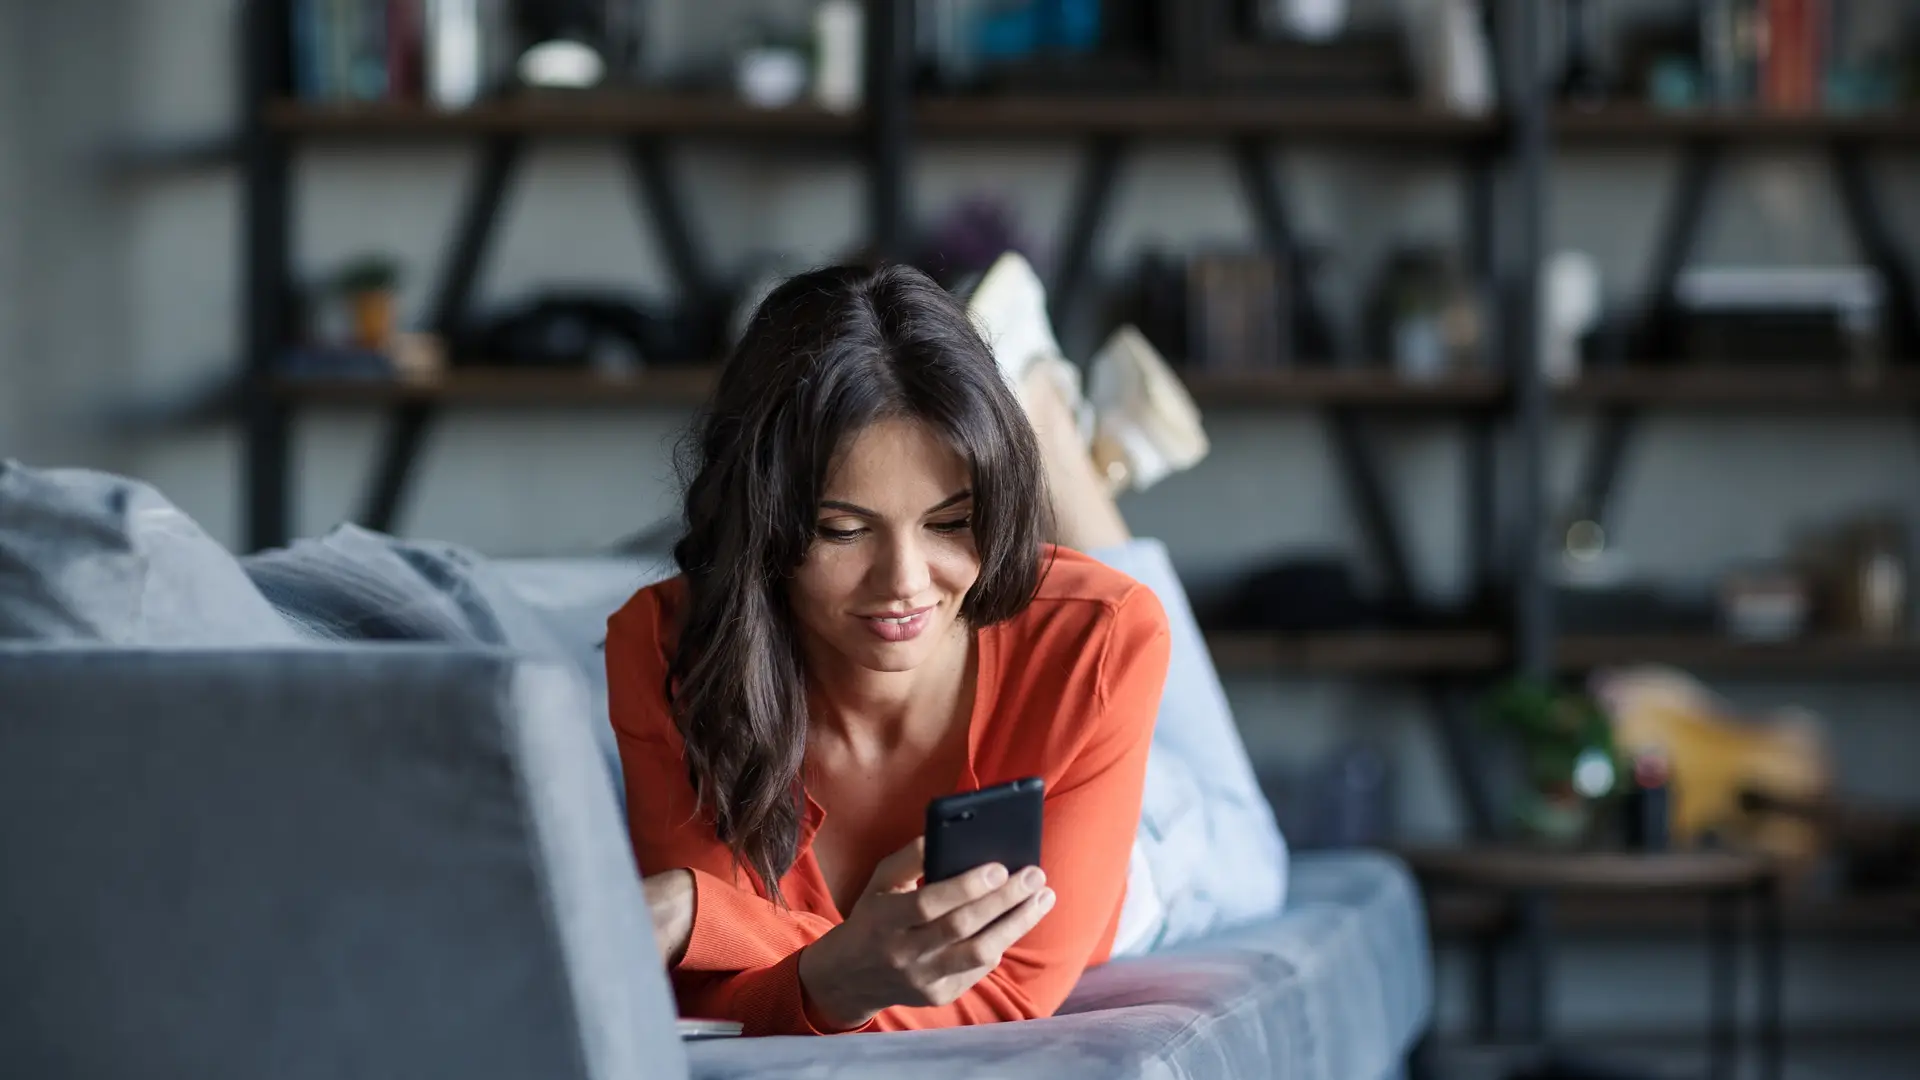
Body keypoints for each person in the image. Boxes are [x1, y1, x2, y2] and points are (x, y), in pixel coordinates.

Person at [608, 257, 1286, 1038]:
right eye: (844, 529)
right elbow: (704, 987)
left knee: (1252, 851)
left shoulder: (1104, 636)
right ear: (765, 520)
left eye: (950, 521)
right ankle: (1033, 414)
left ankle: (1051, 440)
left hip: (1142, 841)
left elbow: (1006, 993)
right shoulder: (662, 646)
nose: (902, 583)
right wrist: (792, 959)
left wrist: (704, 912)